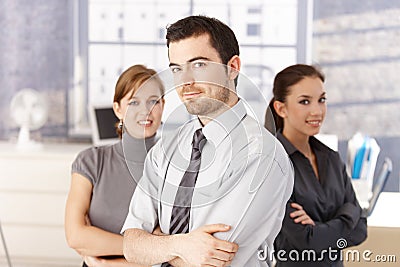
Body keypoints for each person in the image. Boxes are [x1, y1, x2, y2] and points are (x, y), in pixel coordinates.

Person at [121, 15, 294, 267]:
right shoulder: (167, 148)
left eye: (199, 65)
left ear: (232, 67)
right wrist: (182, 246)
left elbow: (211, 260)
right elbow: (131, 246)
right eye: (177, 69)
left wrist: (157, 244)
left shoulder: (261, 155)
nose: (185, 81)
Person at [266, 64, 367, 266]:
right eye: (305, 101)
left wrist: (319, 229)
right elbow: (305, 241)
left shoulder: (332, 159)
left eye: (321, 100)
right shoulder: (272, 165)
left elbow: (361, 230)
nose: (317, 111)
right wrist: (347, 215)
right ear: (281, 108)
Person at [65, 64, 165, 267]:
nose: (145, 111)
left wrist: (107, 262)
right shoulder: (91, 161)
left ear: (163, 105)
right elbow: (75, 236)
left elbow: (175, 249)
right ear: (117, 109)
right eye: (134, 102)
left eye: (153, 101)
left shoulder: (174, 167)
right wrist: (147, 247)